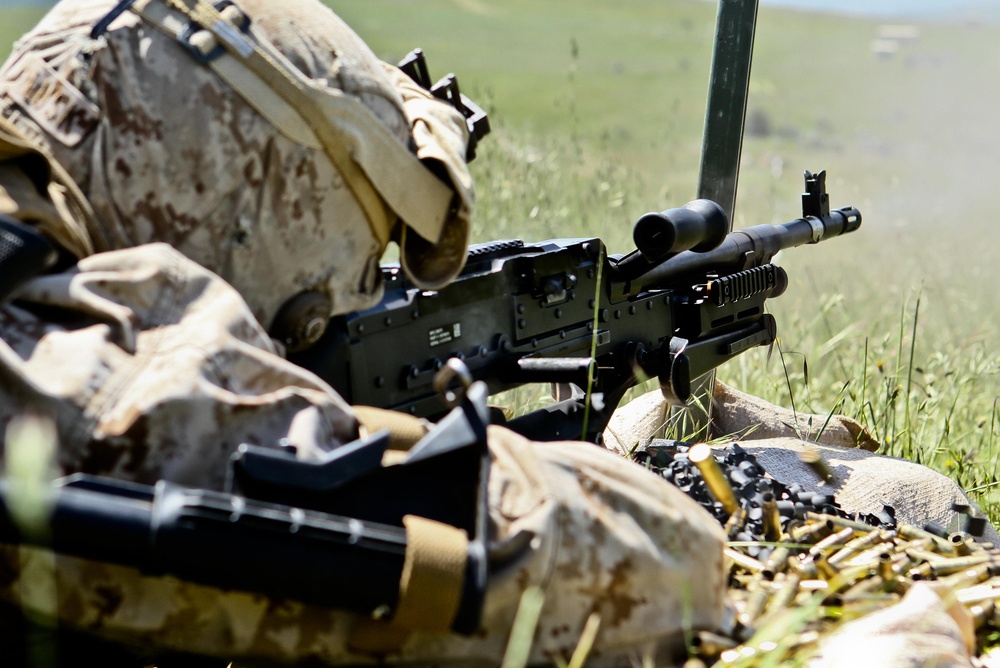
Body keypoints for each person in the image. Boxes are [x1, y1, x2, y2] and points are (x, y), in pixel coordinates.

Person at [0, 1, 992, 667]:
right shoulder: (51, 383)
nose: (361, 299)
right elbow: (637, 559)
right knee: (906, 506)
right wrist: (602, 462)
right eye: (351, 278)